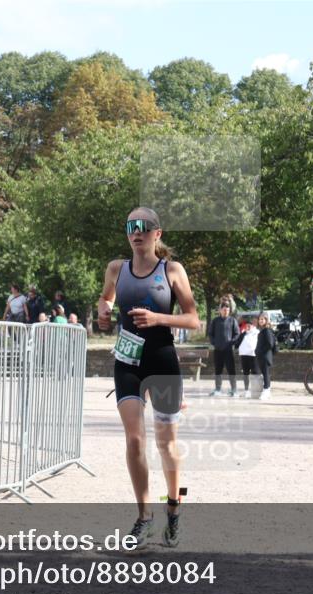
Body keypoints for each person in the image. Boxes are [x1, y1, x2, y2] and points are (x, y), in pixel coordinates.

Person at [97, 206, 199, 548]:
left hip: (162, 361)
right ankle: (144, 517)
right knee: (135, 440)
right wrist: (103, 311)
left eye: (144, 227)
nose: (136, 232)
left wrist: (158, 319)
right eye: (131, 227)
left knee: (166, 443)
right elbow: (107, 298)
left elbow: (193, 319)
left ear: (157, 234)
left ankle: (173, 508)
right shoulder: (116, 268)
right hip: (127, 362)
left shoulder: (171, 270)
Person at [207, 302, 240, 397]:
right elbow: (210, 334)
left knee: (231, 370)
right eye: (224, 310)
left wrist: (231, 342)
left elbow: (237, 334)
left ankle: (234, 390)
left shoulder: (232, 320)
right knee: (218, 370)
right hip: (218, 350)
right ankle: (218, 389)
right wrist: (214, 342)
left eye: (228, 310)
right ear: (220, 310)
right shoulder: (215, 321)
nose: (226, 311)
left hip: (228, 350)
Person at [255, 312, 278, 400]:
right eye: (259, 319)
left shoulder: (267, 330)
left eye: (262, 319)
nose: (260, 321)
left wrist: (261, 351)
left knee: (266, 374)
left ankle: (266, 390)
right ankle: (267, 391)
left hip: (265, 356)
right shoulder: (263, 330)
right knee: (265, 373)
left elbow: (270, 344)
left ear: (266, 320)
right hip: (262, 356)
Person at [235, 316, 259, 398]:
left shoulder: (257, 333)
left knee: (255, 373)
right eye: (246, 326)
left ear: (253, 326)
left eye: (249, 326)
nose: (248, 327)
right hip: (244, 355)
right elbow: (237, 344)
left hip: (253, 356)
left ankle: (255, 391)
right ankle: (246, 390)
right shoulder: (243, 334)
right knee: (245, 373)